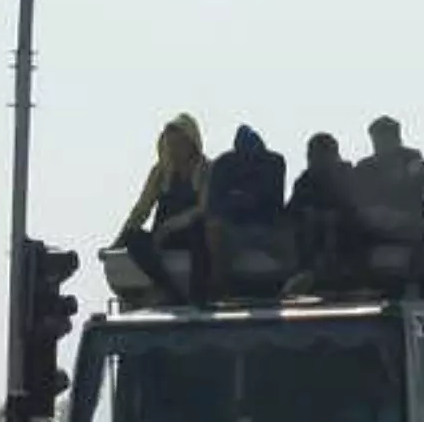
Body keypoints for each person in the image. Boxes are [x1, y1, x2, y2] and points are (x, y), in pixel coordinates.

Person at [115, 113, 212, 305]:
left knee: (199, 229)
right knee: (132, 237)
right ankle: (169, 289)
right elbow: (141, 210)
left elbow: (204, 209)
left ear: (192, 143)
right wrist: (117, 242)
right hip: (162, 238)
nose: (174, 150)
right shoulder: (160, 173)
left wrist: (170, 226)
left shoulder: (208, 170)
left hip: (192, 236)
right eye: (171, 144)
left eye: (179, 144)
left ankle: (198, 295)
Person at [205, 125, 288, 296]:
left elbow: (273, 199)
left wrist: (240, 197)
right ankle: (218, 287)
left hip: (269, 227)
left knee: (290, 231)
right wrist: (242, 200)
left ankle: (290, 284)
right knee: (214, 229)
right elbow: (215, 204)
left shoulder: (274, 162)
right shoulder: (223, 164)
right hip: (233, 228)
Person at [284, 133, 362, 293]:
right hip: (309, 233)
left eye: (318, 154)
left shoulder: (347, 174)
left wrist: (330, 214)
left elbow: (356, 205)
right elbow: (291, 209)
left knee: (330, 221)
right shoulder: (305, 179)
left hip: (345, 231)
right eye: (311, 154)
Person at [353, 115, 424, 246]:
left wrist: (401, 215)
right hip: (374, 222)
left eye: (384, 139)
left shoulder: (413, 160)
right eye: (376, 140)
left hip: (409, 219)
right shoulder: (364, 166)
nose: (379, 145)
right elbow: (357, 197)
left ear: (396, 139)